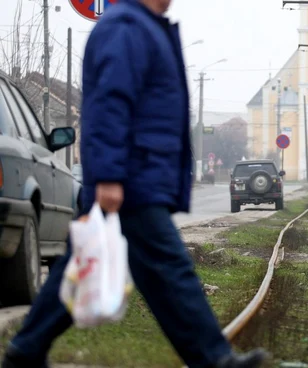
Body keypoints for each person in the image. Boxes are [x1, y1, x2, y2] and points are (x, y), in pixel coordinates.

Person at [1, 1, 267, 367]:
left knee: (86, 263)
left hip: (137, 176)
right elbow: (108, 105)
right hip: (132, 178)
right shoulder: (125, 27)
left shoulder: (144, 26)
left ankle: (26, 349)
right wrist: (108, 176)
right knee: (170, 269)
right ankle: (214, 358)